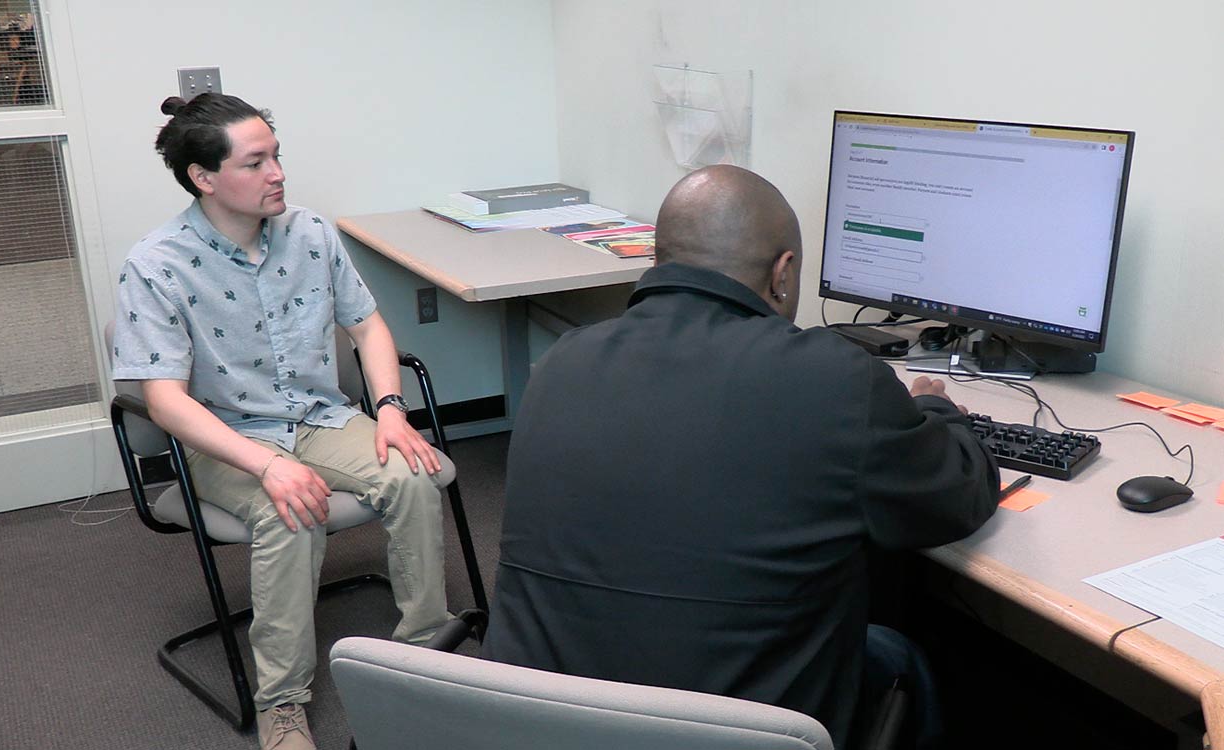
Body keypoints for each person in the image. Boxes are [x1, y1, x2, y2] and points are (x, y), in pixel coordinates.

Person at [481, 165, 999, 749]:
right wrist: (937, 413)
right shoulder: (837, 382)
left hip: (544, 723)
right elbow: (959, 497)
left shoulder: (561, 364)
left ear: (657, 260)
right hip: (732, 731)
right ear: (783, 274)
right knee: (899, 653)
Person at [112, 93, 450, 750]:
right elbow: (164, 401)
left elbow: (368, 325)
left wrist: (388, 409)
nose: (278, 175)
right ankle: (283, 705)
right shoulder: (156, 265)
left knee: (413, 473)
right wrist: (268, 464)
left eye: (277, 157)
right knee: (289, 508)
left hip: (319, 418)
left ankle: (426, 661)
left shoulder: (311, 234)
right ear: (204, 178)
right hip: (227, 440)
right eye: (256, 162)